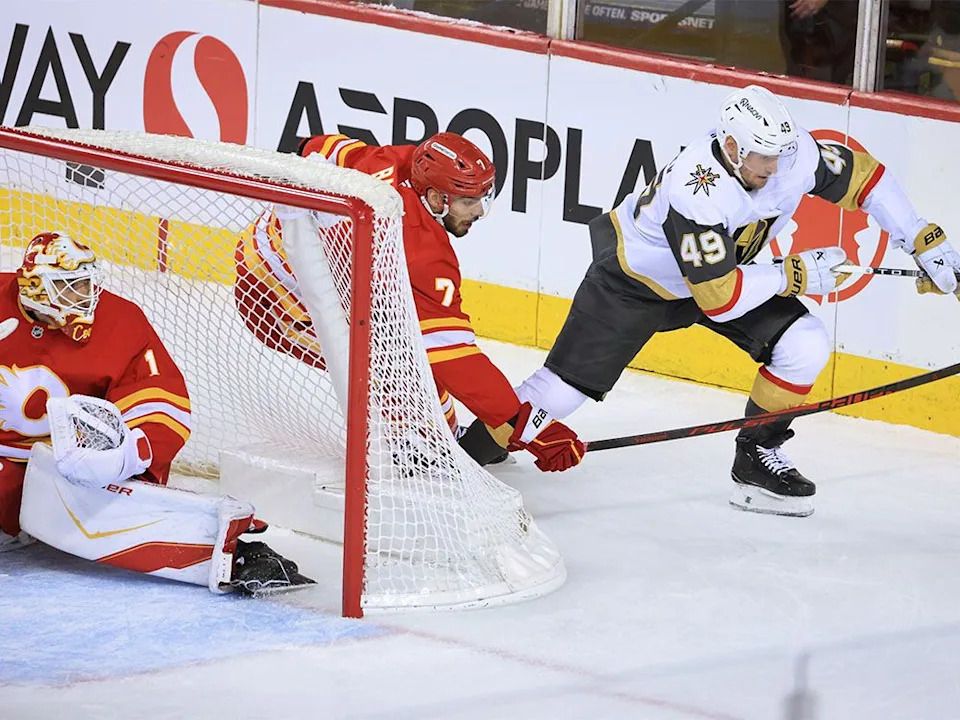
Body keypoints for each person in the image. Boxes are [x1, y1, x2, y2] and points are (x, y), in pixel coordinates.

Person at [515, 84, 960, 517]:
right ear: (731, 147)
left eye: (780, 154)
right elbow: (719, 299)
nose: (775, 167)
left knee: (804, 343)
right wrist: (793, 275)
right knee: (558, 396)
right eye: (764, 157)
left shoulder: (791, 157)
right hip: (635, 283)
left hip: (721, 276)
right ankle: (477, 444)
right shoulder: (696, 187)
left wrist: (920, 237)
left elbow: (864, 178)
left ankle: (756, 456)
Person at [235, 132, 585, 473]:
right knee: (403, 369)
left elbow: (316, 145)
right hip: (279, 306)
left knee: (408, 347)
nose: (479, 211)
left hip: (264, 250)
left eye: (483, 197)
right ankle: (424, 445)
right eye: (467, 202)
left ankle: (434, 435)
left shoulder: (399, 161)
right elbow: (454, 358)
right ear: (435, 198)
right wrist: (527, 426)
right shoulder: (423, 252)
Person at [0, 231, 312, 594]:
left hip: (71, 469)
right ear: (35, 288)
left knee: (113, 507)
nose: (85, 295)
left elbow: (161, 399)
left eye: (86, 283)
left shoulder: (119, 321)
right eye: (69, 287)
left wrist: (126, 455)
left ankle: (228, 553)